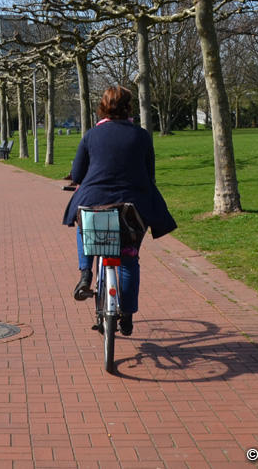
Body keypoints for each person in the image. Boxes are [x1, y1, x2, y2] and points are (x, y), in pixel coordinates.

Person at [62, 85, 176, 336]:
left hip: (95, 202)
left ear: (102, 107)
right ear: (129, 108)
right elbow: (149, 175)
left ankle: (85, 273)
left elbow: (78, 173)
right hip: (131, 209)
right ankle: (128, 316)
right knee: (128, 259)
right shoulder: (142, 136)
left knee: (85, 227)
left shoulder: (91, 135)